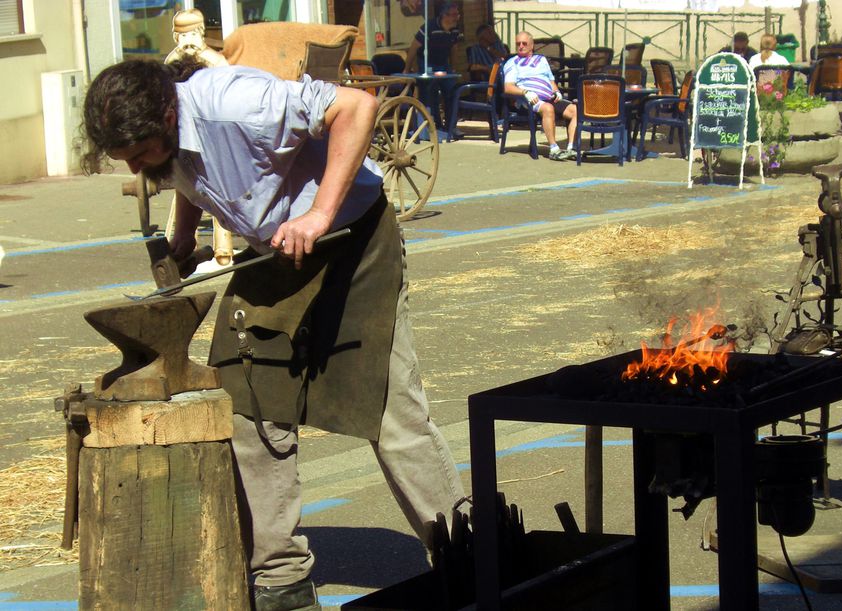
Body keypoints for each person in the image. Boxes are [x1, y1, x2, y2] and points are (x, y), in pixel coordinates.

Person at [81, 58, 465, 611]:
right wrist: (185, 232)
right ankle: (282, 578)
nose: (137, 167)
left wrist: (318, 213)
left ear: (166, 114)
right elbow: (193, 173)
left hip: (350, 243)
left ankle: (469, 554)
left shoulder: (237, 102)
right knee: (246, 406)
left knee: (389, 412)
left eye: (140, 154)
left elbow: (356, 107)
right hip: (274, 255)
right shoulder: (172, 138)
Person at [503, 31, 578, 161]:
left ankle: (571, 148)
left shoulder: (541, 60)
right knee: (548, 108)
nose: (521, 46)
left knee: (575, 110)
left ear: (532, 45)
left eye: (524, 43)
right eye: (518, 44)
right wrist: (525, 92)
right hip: (529, 99)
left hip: (549, 97)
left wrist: (556, 92)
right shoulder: (512, 63)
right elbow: (508, 87)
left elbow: (551, 81)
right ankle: (554, 149)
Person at [404, 2, 464, 129]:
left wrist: (453, 68)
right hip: (427, 62)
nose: (456, 18)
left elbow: (454, 48)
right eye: (454, 15)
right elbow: (414, 47)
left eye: (457, 15)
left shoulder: (455, 30)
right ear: (444, 15)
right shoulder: (429, 27)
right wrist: (407, 68)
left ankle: (450, 126)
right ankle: (433, 125)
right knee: (430, 91)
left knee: (451, 90)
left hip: (443, 63)